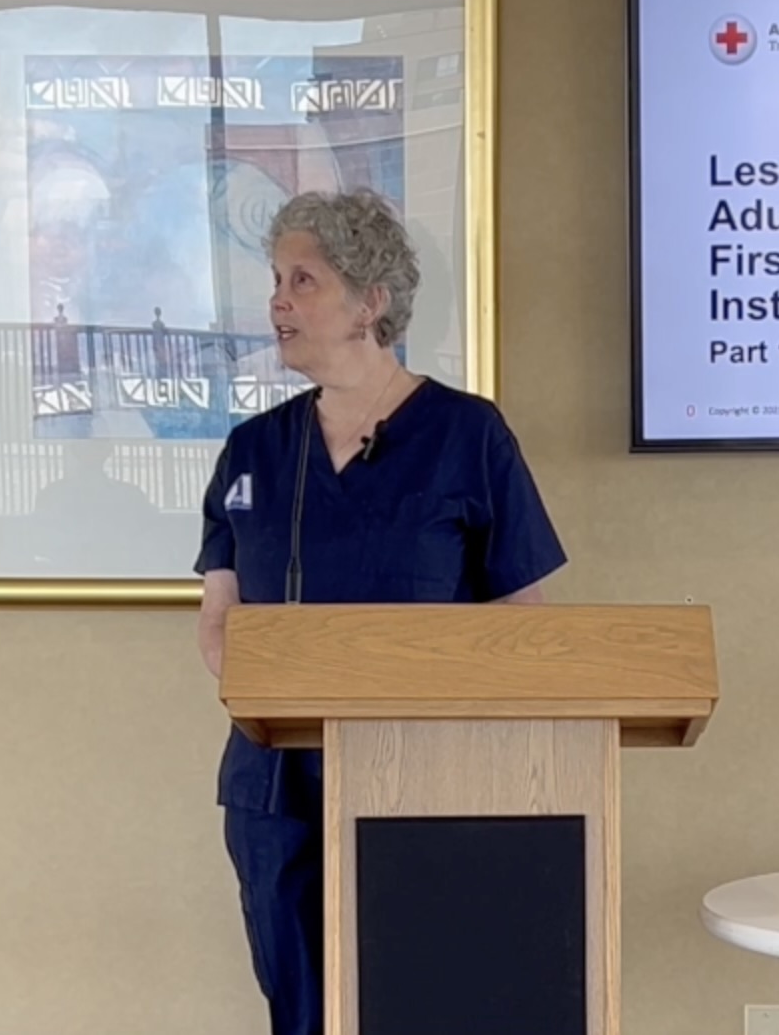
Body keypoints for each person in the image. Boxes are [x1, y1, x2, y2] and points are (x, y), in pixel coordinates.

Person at [192, 189, 567, 1035]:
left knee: (415, 1003)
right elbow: (219, 623)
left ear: (372, 300)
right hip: (274, 784)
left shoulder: (467, 435)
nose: (278, 301)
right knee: (300, 1011)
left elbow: (523, 625)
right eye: (275, 280)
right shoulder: (253, 449)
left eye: (304, 280)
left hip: (423, 780)